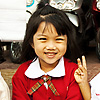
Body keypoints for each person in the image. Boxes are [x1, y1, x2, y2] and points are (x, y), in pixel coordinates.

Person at [12, 0, 84, 99]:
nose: (51, 47)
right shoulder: (22, 74)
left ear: (67, 41)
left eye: (58, 39)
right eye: (43, 39)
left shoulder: (73, 72)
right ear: (32, 43)